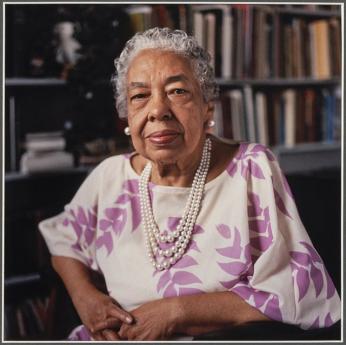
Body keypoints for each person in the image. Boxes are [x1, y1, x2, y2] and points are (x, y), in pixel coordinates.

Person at [39, 27, 341, 341]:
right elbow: (63, 240)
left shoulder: (252, 169)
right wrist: (85, 297)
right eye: (140, 96)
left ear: (207, 106)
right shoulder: (110, 176)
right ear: (127, 116)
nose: (157, 111)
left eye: (177, 91)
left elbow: (297, 292)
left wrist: (175, 312)